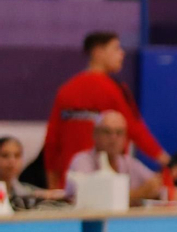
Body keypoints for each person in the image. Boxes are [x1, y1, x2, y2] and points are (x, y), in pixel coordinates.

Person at [41, 32, 167, 190]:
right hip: (108, 184)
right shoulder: (114, 90)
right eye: (116, 48)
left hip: (71, 185)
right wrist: (163, 158)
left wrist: (53, 183)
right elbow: (135, 129)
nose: (122, 53)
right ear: (98, 51)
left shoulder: (65, 90)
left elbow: (51, 142)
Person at [64, 110, 177, 203]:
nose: (113, 138)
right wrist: (140, 193)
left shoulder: (128, 163)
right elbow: (92, 198)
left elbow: (169, 192)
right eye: (107, 132)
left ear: (126, 138)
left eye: (119, 133)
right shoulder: (82, 161)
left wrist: (160, 188)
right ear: (95, 134)